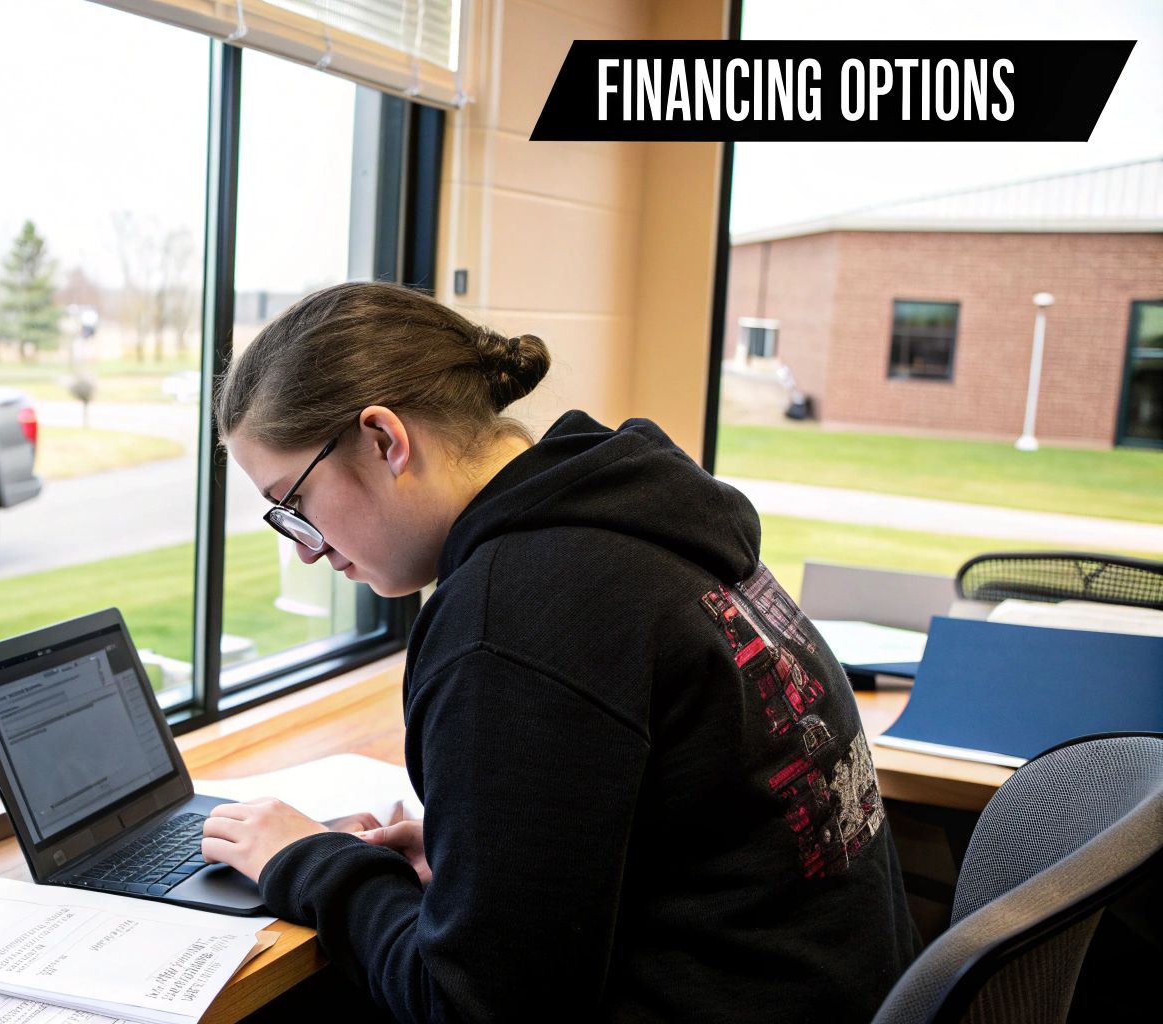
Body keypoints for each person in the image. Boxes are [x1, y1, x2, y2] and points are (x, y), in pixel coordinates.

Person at [198, 281, 920, 1022]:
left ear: (385, 440)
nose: (310, 552)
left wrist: (311, 863)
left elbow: (468, 1009)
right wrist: (476, 856)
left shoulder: (512, 617)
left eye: (295, 507)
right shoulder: (634, 522)